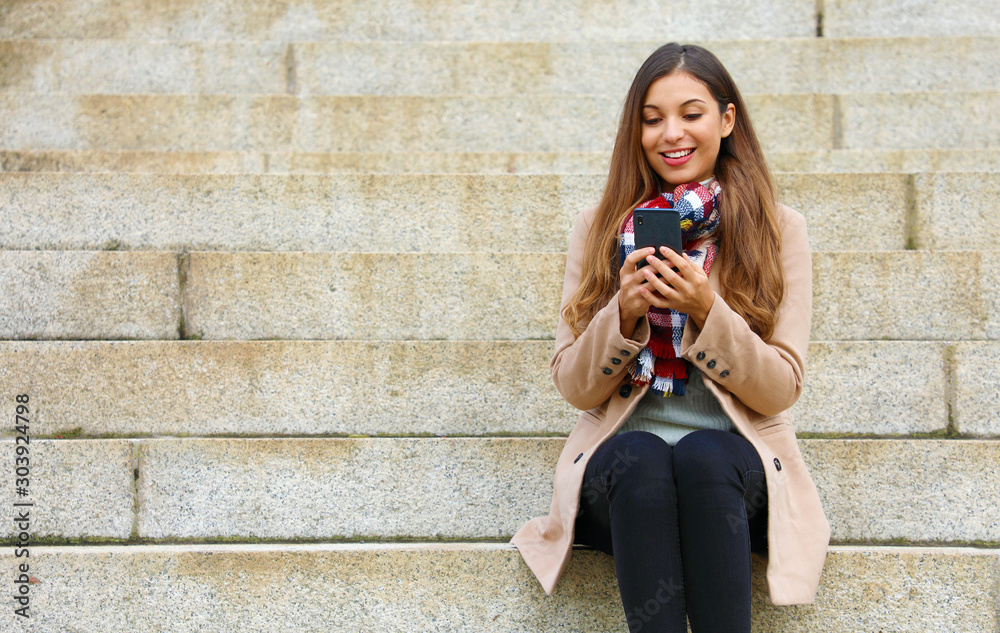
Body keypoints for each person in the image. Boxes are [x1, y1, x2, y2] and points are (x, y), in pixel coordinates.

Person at [512, 43, 830, 632]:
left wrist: (708, 311)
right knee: (644, 455)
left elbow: (782, 386)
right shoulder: (602, 225)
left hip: (735, 478)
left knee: (705, 455)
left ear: (726, 120)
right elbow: (575, 385)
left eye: (691, 114)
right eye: (652, 119)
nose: (671, 134)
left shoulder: (778, 229)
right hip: (626, 483)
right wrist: (624, 316)